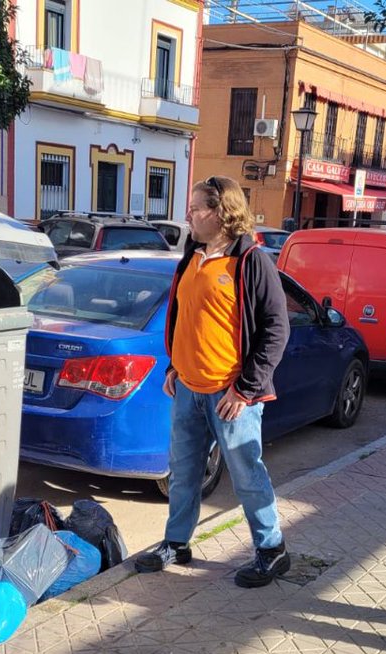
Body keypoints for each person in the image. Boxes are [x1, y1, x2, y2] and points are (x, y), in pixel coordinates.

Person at [133, 175, 292, 588]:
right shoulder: (193, 256)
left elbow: (277, 329)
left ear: (221, 212)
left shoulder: (251, 261)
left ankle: (272, 550)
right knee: (183, 472)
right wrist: (174, 366)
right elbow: (184, 317)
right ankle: (177, 543)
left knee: (246, 475)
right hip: (188, 388)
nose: (188, 215)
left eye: (196, 208)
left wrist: (246, 389)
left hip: (230, 394)